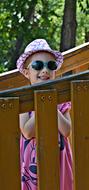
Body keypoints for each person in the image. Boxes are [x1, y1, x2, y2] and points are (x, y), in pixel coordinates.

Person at [16, 39, 73, 190]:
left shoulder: (60, 101)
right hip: (32, 165)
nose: (45, 70)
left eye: (51, 65)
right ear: (27, 72)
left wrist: (52, 104)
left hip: (58, 160)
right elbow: (28, 132)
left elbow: (66, 130)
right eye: (38, 66)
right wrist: (43, 104)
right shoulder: (25, 100)